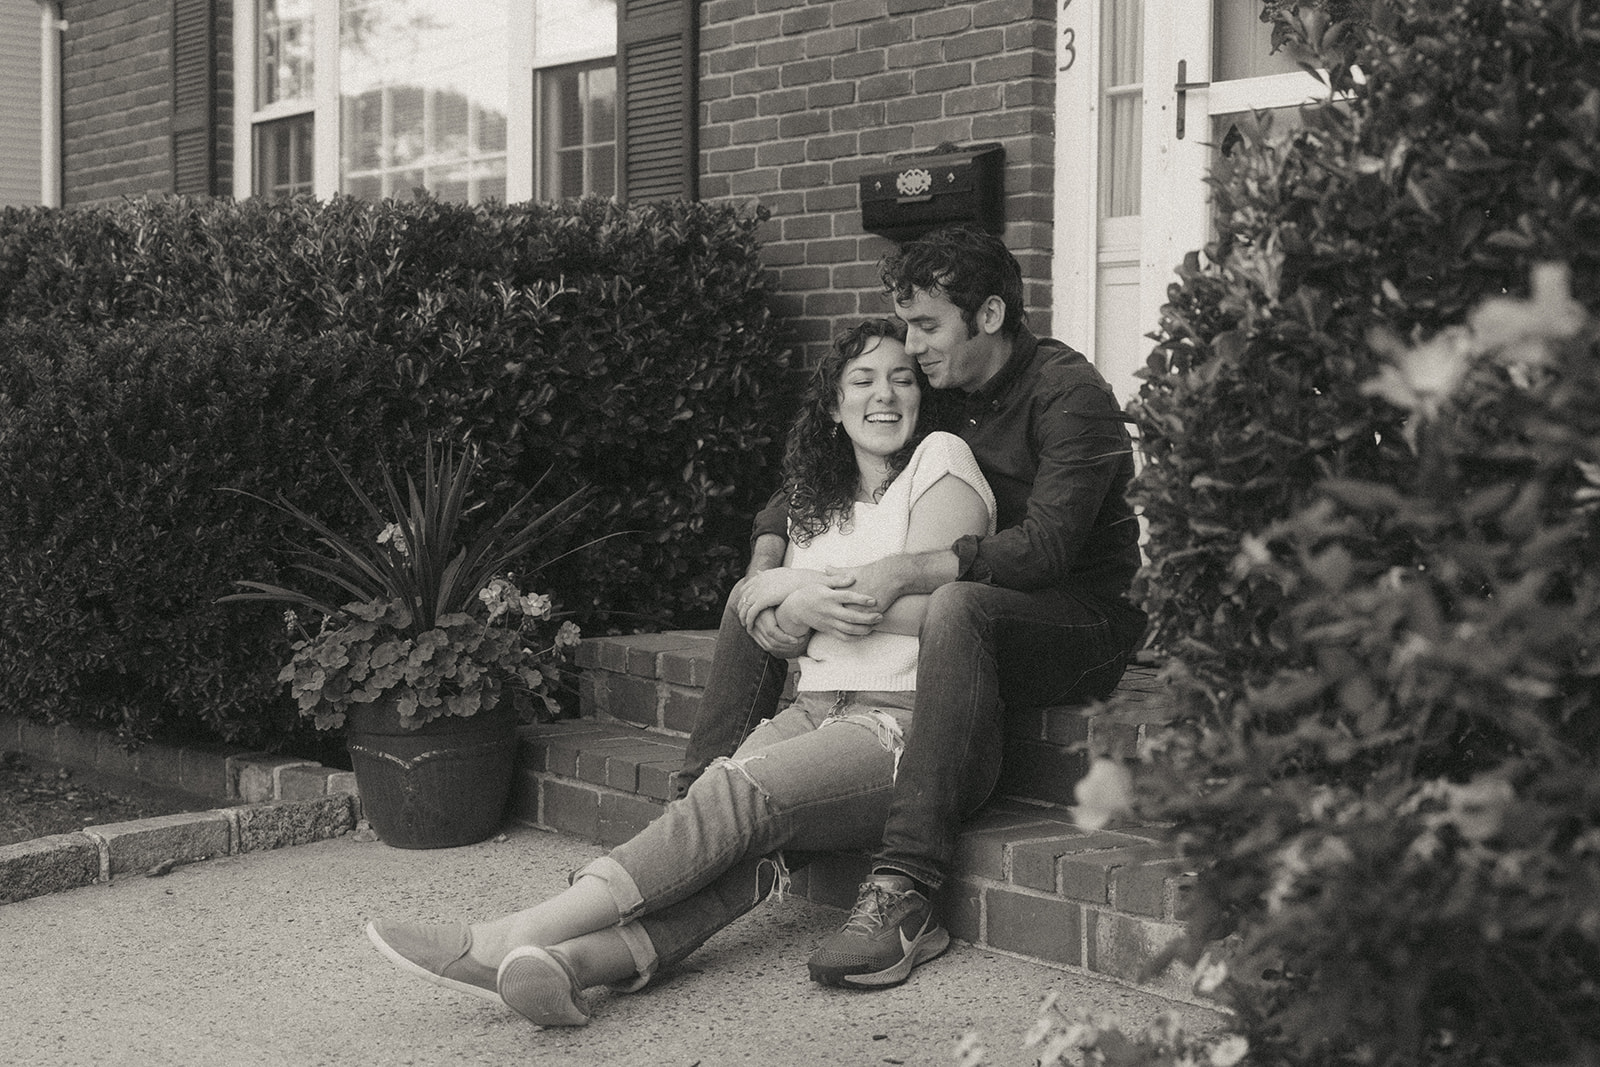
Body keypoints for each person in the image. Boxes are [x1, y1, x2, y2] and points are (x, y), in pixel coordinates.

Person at [364, 318, 997, 1025]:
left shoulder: (942, 459)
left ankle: (512, 934)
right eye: (864, 380)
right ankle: (573, 963)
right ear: (832, 404)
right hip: (816, 707)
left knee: (737, 793)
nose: (886, 396)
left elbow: (938, 611)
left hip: (902, 721)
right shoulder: (816, 501)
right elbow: (777, 633)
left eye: (902, 379)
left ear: (921, 396)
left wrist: (805, 591)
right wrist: (797, 602)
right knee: (731, 837)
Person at [678, 225, 1147, 990]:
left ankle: (906, 887)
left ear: (989, 315)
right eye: (906, 326)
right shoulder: (950, 393)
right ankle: (684, 809)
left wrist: (909, 567)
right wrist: (768, 563)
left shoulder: (1071, 395)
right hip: (982, 614)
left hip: (1081, 622)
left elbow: (1047, 551)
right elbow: (821, 474)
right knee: (761, 599)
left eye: (927, 326)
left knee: (957, 605)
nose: (912, 346)